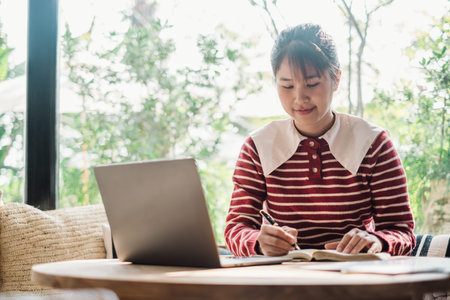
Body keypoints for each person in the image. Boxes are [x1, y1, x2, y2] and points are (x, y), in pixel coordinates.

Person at [224, 23, 416, 257]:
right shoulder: (258, 146)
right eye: (287, 85)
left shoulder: (373, 143)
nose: (299, 97)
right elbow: (236, 227)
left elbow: (402, 230)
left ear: (336, 79)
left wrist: (377, 241)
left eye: (312, 84)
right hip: (284, 278)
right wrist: (258, 242)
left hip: (354, 277)